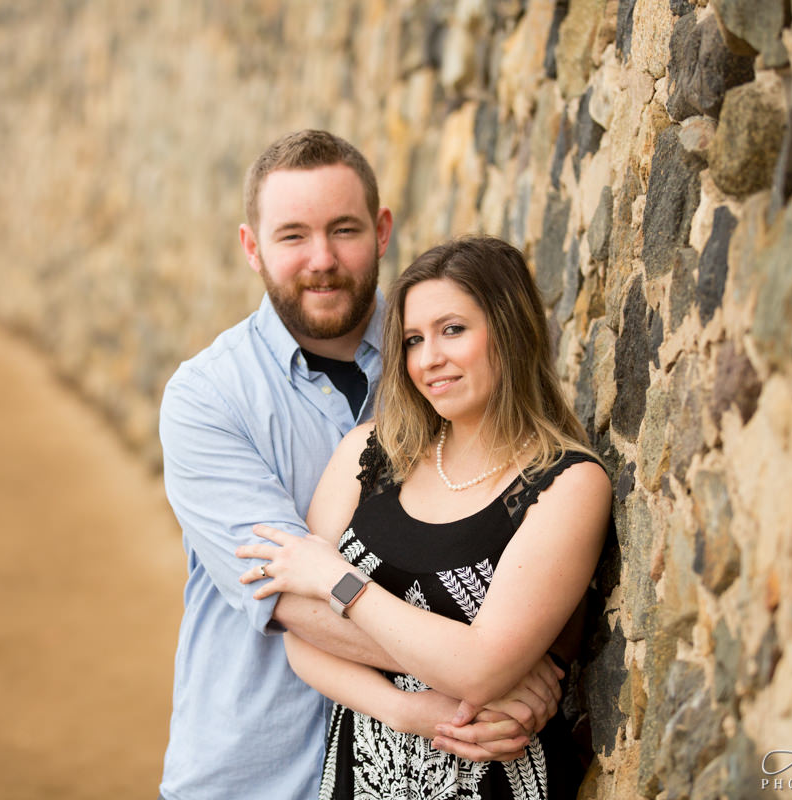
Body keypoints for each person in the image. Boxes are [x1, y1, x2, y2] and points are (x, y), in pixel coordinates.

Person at [158, 133, 567, 800]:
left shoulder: (443, 367)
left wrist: (492, 665)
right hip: (257, 772)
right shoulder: (208, 398)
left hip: (417, 776)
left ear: (380, 231)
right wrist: (486, 671)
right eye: (292, 236)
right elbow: (285, 597)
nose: (321, 260)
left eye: (343, 230)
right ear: (251, 247)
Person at [235, 235, 612, 798]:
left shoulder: (567, 484)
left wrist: (337, 582)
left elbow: (480, 670)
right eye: (413, 339)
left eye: (452, 330)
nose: (429, 358)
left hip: (495, 776)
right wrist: (410, 709)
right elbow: (298, 633)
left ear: (510, 331)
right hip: (363, 776)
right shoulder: (369, 453)